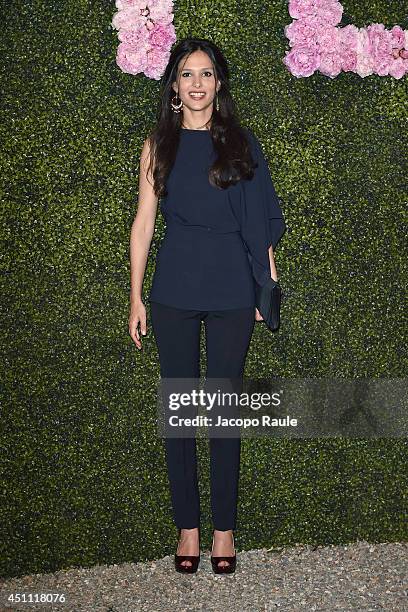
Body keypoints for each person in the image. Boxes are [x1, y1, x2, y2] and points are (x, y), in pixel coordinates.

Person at [129, 37, 286, 574]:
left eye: (206, 74)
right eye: (187, 74)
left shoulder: (241, 145)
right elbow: (144, 223)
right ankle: (187, 529)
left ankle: (224, 532)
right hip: (173, 292)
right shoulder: (158, 146)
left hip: (231, 294)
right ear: (174, 86)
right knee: (179, 414)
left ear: (218, 84)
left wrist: (265, 287)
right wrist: (134, 296)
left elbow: (261, 221)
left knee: (221, 413)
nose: (197, 83)